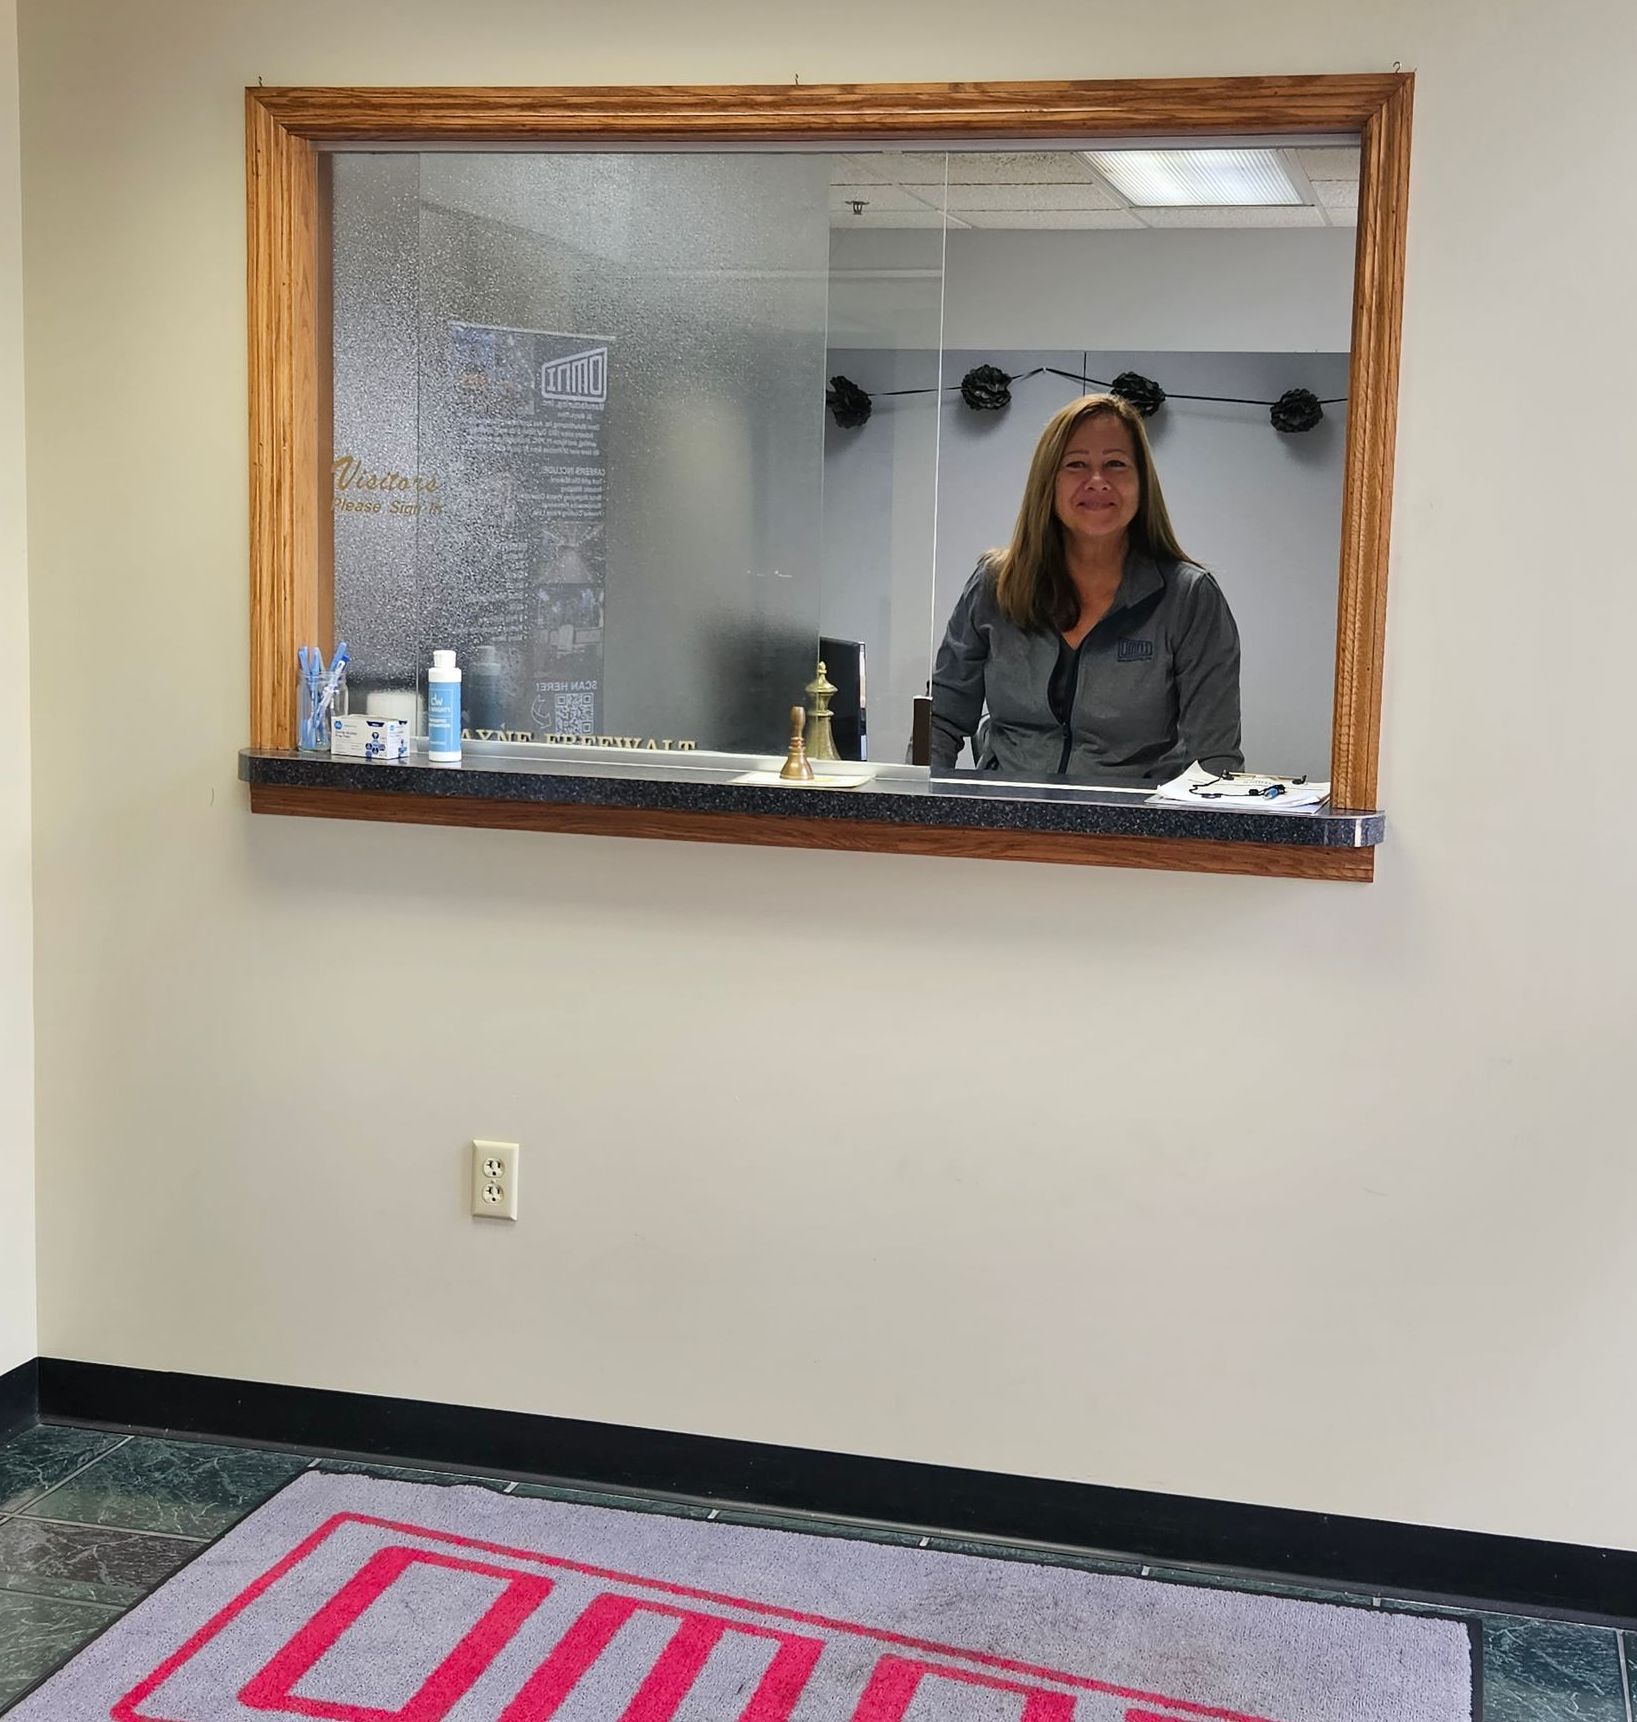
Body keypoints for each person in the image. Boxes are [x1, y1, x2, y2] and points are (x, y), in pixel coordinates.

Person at [930, 393, 1242, 784]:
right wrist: (916, 819)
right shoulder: (994, 584)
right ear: (1048, 481)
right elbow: (940, 721)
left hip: (1136, 831)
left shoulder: (1190, 597)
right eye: (1076, 464)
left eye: (1116, 464)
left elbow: (1214, 759)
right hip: (1005, 823)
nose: (1098, 481)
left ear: (1141, 482)